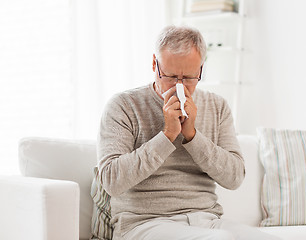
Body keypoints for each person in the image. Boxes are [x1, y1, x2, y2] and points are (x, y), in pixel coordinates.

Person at [97, 25, 280, 240]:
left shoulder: (217, 106)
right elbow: (111, 181)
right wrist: (166, 136)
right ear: (155, 64)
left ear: (201, 69)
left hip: (208, 221)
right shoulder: (124, 106)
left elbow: (235, 177)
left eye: (190, 77)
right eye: (171, 76)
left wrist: (193, 136)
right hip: (144, 224)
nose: (180, 86)